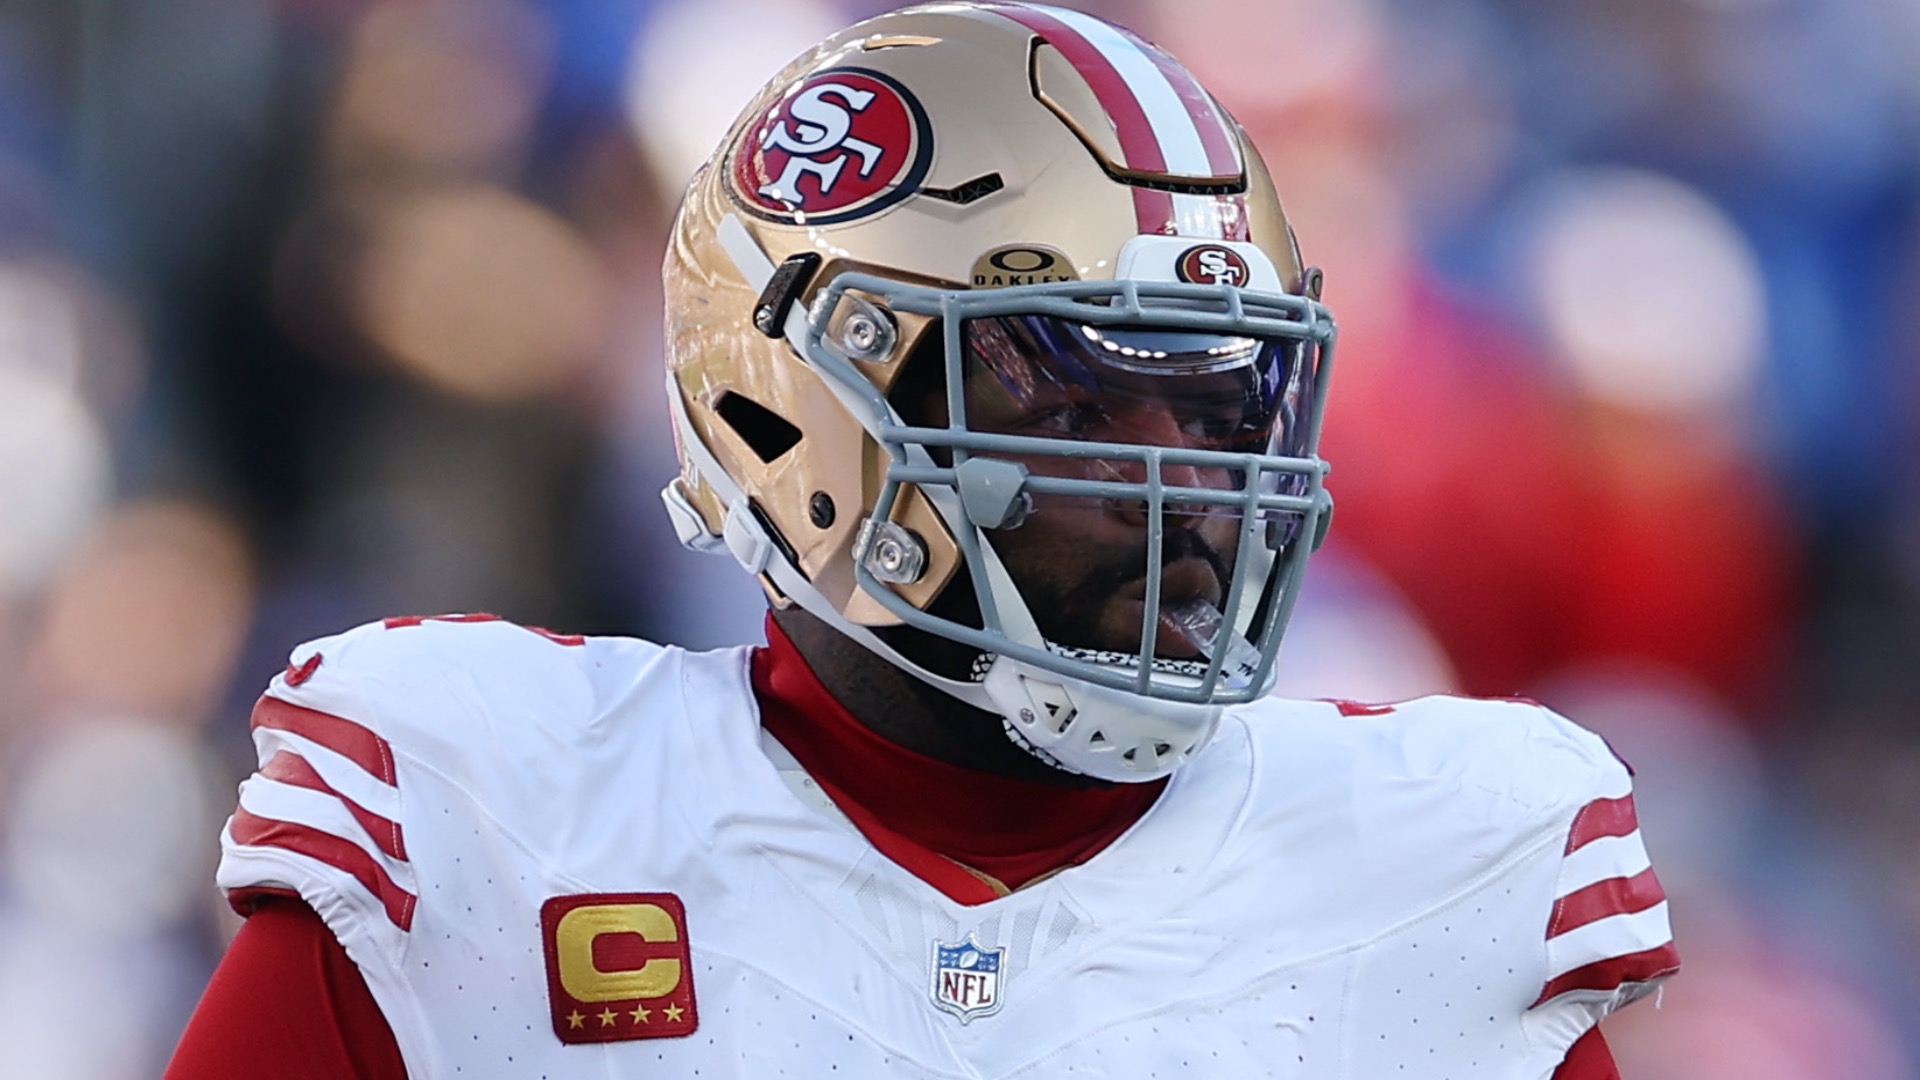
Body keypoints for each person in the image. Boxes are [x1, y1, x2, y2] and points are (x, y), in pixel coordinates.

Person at [167, 3, 1676, 1076]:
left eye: (1222, 404)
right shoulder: (490, 833)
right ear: (796, 417)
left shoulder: (1426, 875)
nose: (1185, 486)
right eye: (1075, 403)